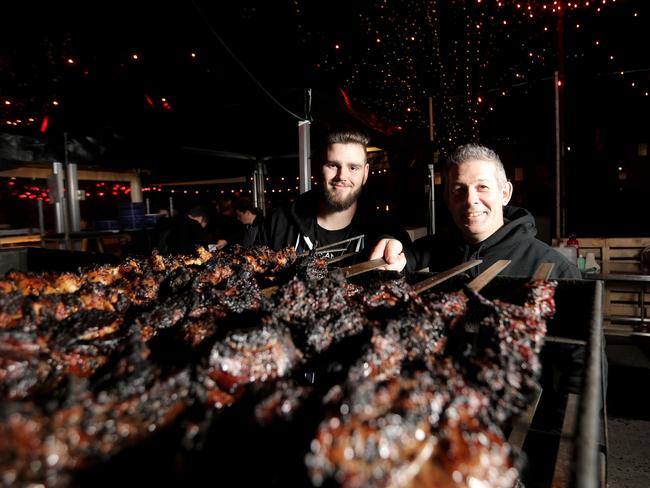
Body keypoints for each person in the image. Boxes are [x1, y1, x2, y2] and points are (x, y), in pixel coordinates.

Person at [371, 143, 581, 279]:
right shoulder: (427, 251)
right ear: (447, 198)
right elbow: (397, 260)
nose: (470, 200)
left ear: (505, 193)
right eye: (459, 190)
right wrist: (389, 242)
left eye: (483, 187)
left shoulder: (558, 270)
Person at [265, 126, 411, 260]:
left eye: (353, 168)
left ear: (365, 173)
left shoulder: (389, 231)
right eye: (333, 165)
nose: (342, 176)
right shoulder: (277, 224)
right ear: (317, 168)